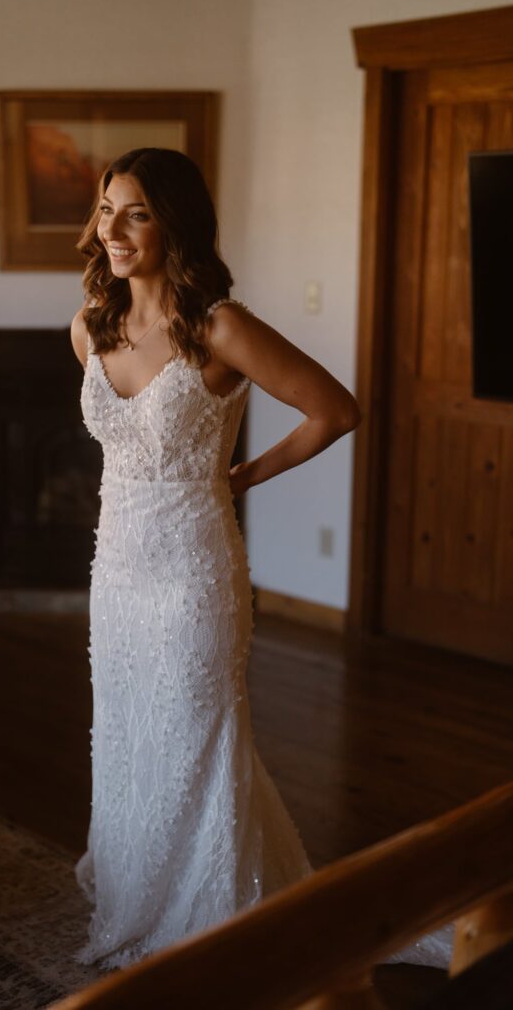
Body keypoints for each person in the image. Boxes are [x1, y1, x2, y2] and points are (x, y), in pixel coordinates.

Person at [69, 147, 361, 972]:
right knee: (128, 733)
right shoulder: (89, 326)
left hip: (194, 572)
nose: (114, 230)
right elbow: (119, 448)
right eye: (106, 209)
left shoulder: (219, 326)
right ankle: (140, 889)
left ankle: (213, 921)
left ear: (176, 222)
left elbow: (333, 409)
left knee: (198, 734)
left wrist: (241, 475)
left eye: (137, 213)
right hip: (116, 570)